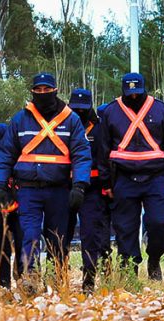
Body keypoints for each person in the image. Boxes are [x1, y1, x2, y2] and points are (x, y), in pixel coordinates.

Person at [0, 72, 92, 293]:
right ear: (32, 92)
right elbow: (6, 154)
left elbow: (82, 155)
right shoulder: (20, 119)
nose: (42, 94)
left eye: (46, 90)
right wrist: (0, 186)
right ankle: (30, 278)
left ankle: (57, 278)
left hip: (59, 189)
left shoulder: (71, 120)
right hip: (28, 190)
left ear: (55, 90)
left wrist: (80, 185)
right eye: (38, 90)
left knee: (57, 238)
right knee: (29, 234)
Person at [97, 72, 164, 280]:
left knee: (160, 222)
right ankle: (130, 270)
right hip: (123, 178)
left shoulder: (160, 109)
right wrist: (106, 182)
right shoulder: (110, 111)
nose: (133, 97)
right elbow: (102, 149)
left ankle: (154, 258)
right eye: (129, 93)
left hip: (156, 177)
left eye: (137, 92)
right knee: (125, 228)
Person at [66, 88, 112, 293]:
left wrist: (105, 184)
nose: (79, 113)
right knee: (60, 233)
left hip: (93, 189)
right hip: (66, 186)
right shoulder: (62, 125)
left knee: (92, 235)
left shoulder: (100, 128)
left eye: (83, 109)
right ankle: (56, 276)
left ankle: (90, 279)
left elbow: (105, 157)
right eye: (76, 109)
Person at [0, 122, 23, 289]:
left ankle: (22, 278)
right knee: (2, 248)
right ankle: (4, 284)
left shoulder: (18, 154)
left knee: (23, 242)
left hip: (19, 208)